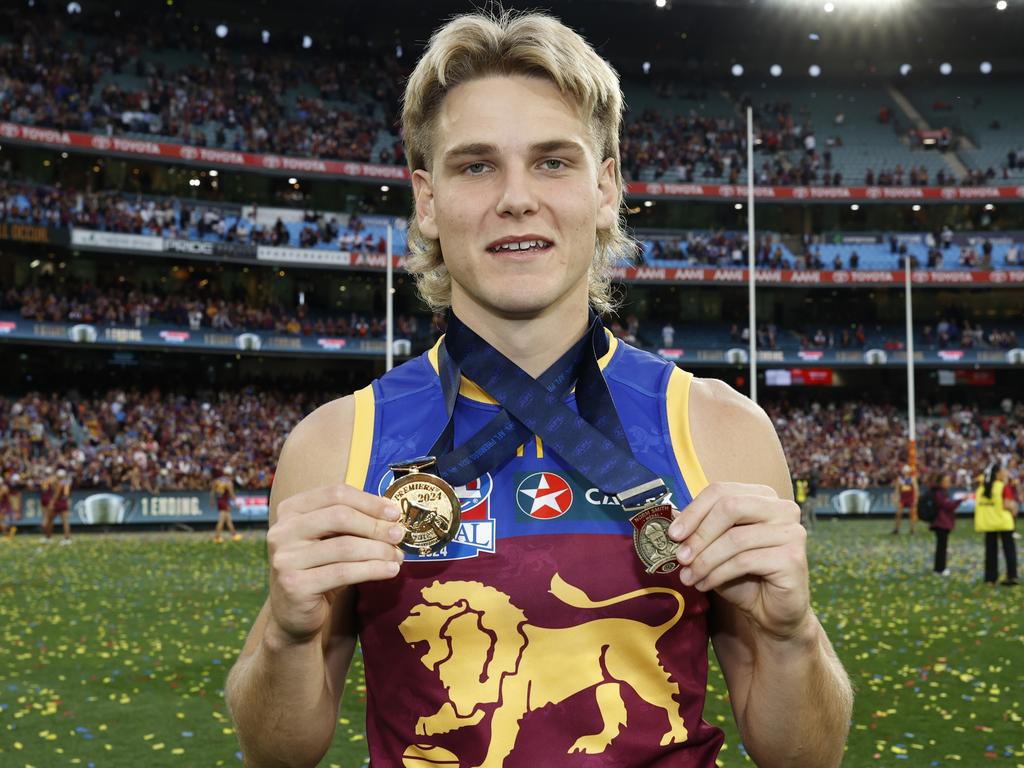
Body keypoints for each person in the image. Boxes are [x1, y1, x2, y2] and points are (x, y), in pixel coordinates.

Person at [225, 10, 852, 768]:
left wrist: (794, 634)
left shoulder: (721, 429)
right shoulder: (336, 443)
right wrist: (289, 634)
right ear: (426, 198)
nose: (516, 198)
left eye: (553, 161)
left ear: (605, 188)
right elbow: (276, 752)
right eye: (475, 165)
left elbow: (806, 756)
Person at [974, 462, 1018, 586]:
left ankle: (990, 578)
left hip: (988, 523)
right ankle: (1011, 576)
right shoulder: (1003, 486)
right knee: (1009, 550)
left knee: (990, 551)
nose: (1006, 473)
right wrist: (1014, 508)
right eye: (1004, 471)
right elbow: (1007, 504)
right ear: (997, 473)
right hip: (1004, 522)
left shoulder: (981, 488)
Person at [929, 472, 960, 575]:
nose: (949, 483)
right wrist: (959, 501)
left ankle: (940, 568)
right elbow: (947, 506)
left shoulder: (942, 492)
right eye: (947, 481)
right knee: (941, 547)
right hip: (941, 523)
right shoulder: (939, 493)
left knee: (942, 546)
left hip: (942, 522)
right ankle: (940, 568)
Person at [42, 468, 73, 545]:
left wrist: (52, 503)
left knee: (50, 520)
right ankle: (67, 539)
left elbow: (56, 494)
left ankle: (48, 537)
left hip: (58, 503)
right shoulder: (66, 482)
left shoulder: (59, 483)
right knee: (65, 522)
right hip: (64, 502)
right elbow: (67, 494)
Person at [212, 467, 241, 543]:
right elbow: (231, 494)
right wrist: (237, 503)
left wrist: (212, 500)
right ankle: (217, 537)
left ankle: (234, 535)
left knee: (228, 520)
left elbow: (212, 491)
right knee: (221, 520)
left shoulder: (217, 481)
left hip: (220, 501)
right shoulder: (228, 482)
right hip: (224, 502)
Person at [892, 464, 918, 535]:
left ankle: (912, 530)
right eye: (904, 471)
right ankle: (896, 529)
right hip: (903, 499)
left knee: (911, 514)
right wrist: (896, 498)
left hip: (910, 499)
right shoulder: (900, 479)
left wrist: (915, 499)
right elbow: (897, 490)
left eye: (907, 471)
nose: (905, 472)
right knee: (898, 513)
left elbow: (915, 490)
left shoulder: (912, 479)